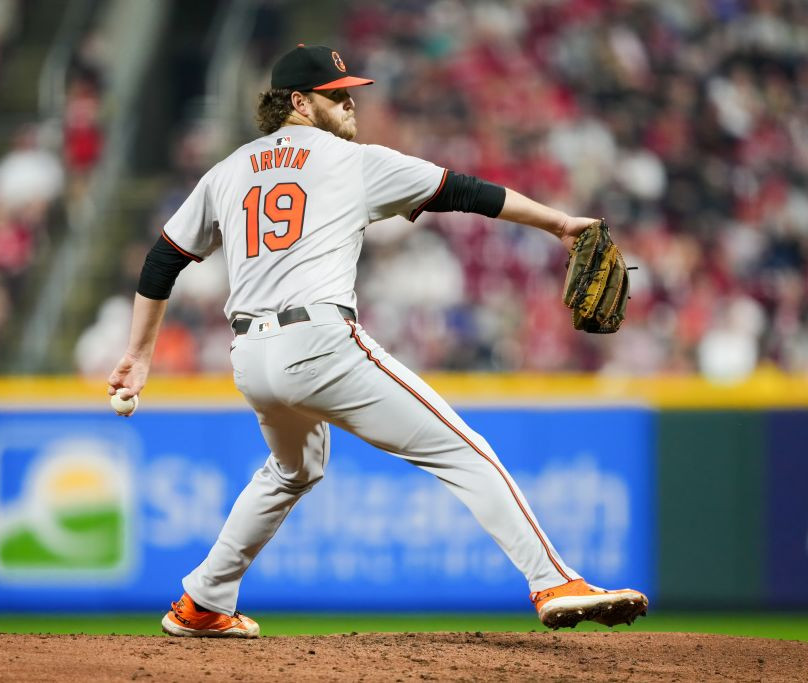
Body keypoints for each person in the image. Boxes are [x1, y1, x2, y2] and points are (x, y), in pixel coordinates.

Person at [107, 44, 648, 638]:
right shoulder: (351, 161)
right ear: (299, 103)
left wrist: (137, 356)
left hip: (251, 358)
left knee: (293, 470)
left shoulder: (228, 169)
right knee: (461, 449)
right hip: (317, 343)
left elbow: (163, 259)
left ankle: (204, 600)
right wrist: (559, 223)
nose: (350, 103)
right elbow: (465, 191)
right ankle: (555, 580)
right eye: (337, 95)